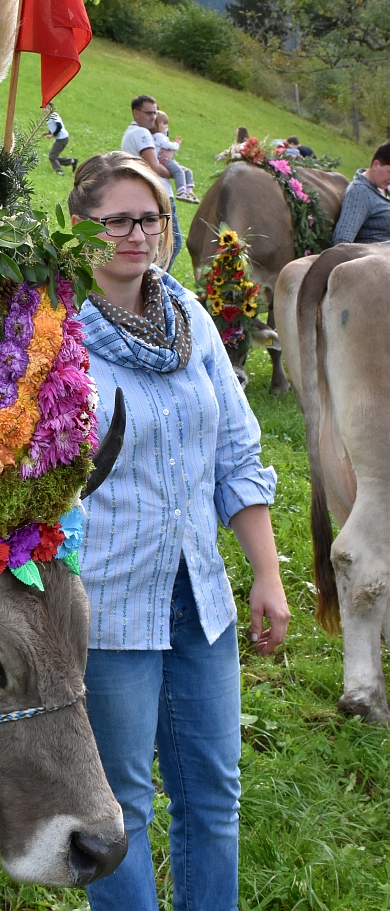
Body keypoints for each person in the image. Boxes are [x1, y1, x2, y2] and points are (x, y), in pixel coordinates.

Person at [68, 150, 290, 911]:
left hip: (199, 598)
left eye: (150, 218)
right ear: (81, 227)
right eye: (116, 219)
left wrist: (264, 571)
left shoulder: (188, 315)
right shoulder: (50, 335)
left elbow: (237, 449)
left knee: (213, 795)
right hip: (107, 603)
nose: (135, 234)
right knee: (121, 805)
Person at [121, 95, 182, 264]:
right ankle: (157, 283)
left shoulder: (131, 132)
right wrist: (177, 173)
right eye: (148, 113)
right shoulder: (142, 133)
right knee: (170, 245)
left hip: (143, 192)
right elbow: (154, 166)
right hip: (157, 193)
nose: (153, 117)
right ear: (135, 113)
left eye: (155, 113)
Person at [333, 142, 390, 244]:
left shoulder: (380, 188)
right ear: (376, 165)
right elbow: (342, 241)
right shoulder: (359, 192)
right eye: (389, 172)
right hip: (377, 255)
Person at [152, 110, 198, 203]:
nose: (166, 126)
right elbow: (168, 145)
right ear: (156, 125)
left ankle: (189, 191)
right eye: (164, 124)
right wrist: (176, 144)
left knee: (187, 171)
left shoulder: (161, 136)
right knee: (179, 171)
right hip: (164, 161)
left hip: (168, 160)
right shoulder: (158, 136)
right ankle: (181, 191)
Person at [44, 102, 77, 175]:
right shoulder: (48, 116)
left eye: (45, 107)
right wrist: (48, 132)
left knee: (52, 156)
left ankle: (59, 172)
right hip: (60, 138)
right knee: (54, 157)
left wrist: (52, 135)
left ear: (50, 108)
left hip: (62, 138)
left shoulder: (54, 115)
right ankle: (72, 161)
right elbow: (54, 127)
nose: (44, 109)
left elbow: (59, 126)